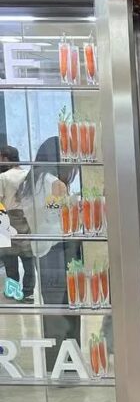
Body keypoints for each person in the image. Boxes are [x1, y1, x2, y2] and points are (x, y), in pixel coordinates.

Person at [16, 137, 81, 370]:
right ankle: (68, 366)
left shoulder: (30, 182)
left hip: (41, 253)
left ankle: (55, 366)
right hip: (60, 251)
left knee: (52, 311)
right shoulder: (55, 185)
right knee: (68, 309)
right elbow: (58, 219)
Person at [0, 145, 34, 302]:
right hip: (27, 218)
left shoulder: (3, 177)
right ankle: (29, 292)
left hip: (8, 218)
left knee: (10, 260)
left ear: (5, 158)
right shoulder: (28, 174)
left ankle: (13, 291)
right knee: (28, 258)